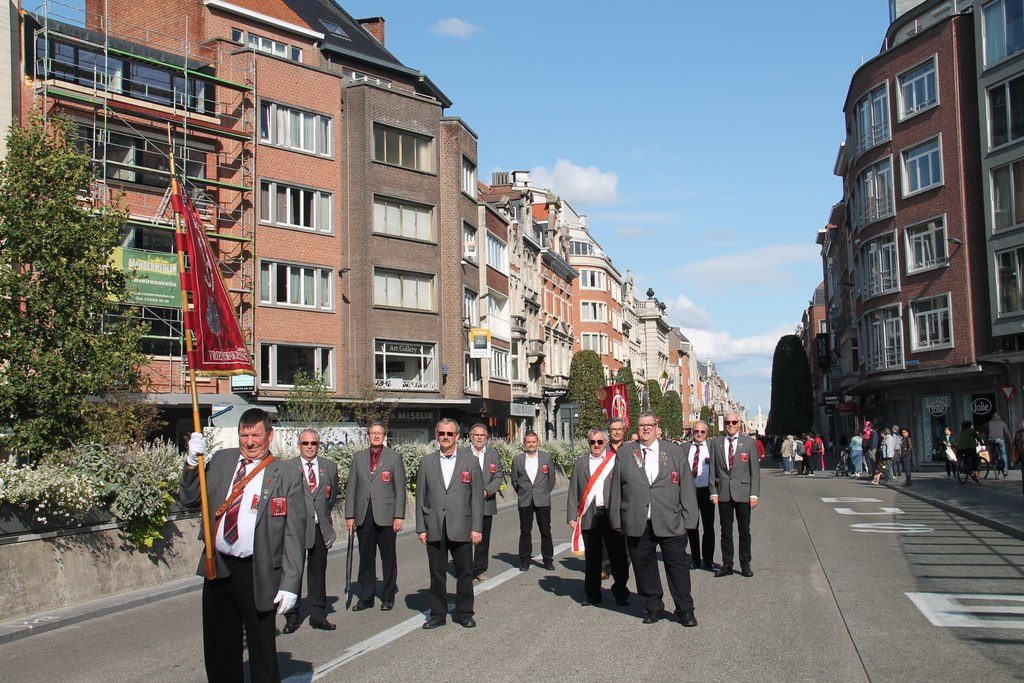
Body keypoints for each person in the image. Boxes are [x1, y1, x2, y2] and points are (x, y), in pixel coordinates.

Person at [181, 408, 305, 683]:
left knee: (262, 650)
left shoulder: (286, 475)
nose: (249, 442)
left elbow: (294, 535)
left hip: (258, 571)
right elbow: (189, 499)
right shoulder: (222, 461)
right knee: (219, 647)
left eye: (255, 435)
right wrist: (191, 462)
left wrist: (290, 583)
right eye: (244, 435)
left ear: (269, 436)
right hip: (219, 565)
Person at [615, 411, 699, 626]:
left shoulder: (674, 451)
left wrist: (690, 520)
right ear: (636, 428)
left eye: (649, 425)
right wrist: (616, 519)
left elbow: (686, 486)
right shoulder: (626, 452)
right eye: (642, 425)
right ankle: (653, 606)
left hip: (670, 519)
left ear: (656, 427)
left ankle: (685, 610)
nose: (645, 429)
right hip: (637, 519)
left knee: (678, 567)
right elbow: (616, 488)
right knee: (644, 567)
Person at [416, 418, 483, 629]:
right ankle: (437, 614)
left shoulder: (470, 461)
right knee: (436, 573)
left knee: (464, 572)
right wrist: (421, 528)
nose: (445, 437)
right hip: (435, 525)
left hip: (461, 526)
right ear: (436, 436)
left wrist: (476, 528)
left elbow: (476, 499)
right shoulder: (426, 462)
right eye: (442, 433)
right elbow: (421, 497)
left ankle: (464, 612)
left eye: (449, 434)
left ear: (457, 437)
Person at [345, 421, 406, 612]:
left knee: (388, 557)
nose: (376, 436)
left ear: (384, 435)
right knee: (366, 558)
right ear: (368, 436)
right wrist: (349, 515)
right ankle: (366, 597)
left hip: (387, 515)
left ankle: (388, 596)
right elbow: (351, 488)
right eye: (373, 433)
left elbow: (400, 489)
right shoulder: (358, 457)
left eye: (379, 433)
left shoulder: (394, 457)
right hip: (364, 513)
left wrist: (399, 515)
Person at [283, 429, 340, 633]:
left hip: (319, 527)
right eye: (305, 443)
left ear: (318, 445)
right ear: (298, 445)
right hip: (295, 528)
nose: (309, 447)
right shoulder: (287, 467)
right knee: (293, 572)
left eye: (313, 443)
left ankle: (318, 615)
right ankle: (292, 616)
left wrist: (321, 518)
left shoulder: (329, 467)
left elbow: (331, 498)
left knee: (318, 573)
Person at [567, 428, 629, 606]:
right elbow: (574, 490)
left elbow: (624, 487)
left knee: (618, 557)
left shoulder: (615, 460)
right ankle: (592, 594)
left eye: (600, 442)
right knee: (592, 559)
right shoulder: (580, 463)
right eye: (592, 442)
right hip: (589, 515)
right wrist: (572, 515)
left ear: (606, 442)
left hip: (612, 515)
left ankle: (621, 592)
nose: (596, 445)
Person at [710, 411, 761, 578]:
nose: (730, 425)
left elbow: (755, 471)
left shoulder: (748, 443)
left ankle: (745, 564)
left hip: (743, 493)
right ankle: (727, 564)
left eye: (733, 422)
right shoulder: (716, 443)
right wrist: (713, 492)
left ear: (739, 424)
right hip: (724, 492)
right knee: (725, 531)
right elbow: (712, 470)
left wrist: (754, 494)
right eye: (727, 422)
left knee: (744, 531)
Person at [510, 431, 556, 571]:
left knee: (545, 531)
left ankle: (548, 560)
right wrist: (522, 492)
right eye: (528, 442)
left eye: (533, 442)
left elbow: (551, 479)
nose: (531, 444)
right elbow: (514, 480)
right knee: (525, 531)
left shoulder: (546, 457)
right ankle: (525, 560)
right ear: (524, 444)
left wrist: (544, 492)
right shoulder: (517, 459)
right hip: (525, 499)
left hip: (542, 499)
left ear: (538, 442)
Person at [467, 423, 505, 582]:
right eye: (476, 435)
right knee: (465, 538)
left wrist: (486, 491)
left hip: (486, 503)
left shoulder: (493, 455)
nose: (479, 438)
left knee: (483, 539)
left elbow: (498, 476)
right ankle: (466, 569)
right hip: (465, 504)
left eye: (482, 435)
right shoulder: (462, 454)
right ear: (470, 436)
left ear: (486, 438)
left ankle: (479, 570)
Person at [684, 421, 716, 571]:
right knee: (692, 527)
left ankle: (708, 560)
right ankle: (695, 559)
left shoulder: (712, 448)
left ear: (706, 433)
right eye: (696, 431)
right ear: (692, 432)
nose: (699, 434)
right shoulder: (684, 448)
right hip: (689, 491)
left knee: (708, 527)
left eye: (702, 432)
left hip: (707, 491)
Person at [987, 412, 1012, 476]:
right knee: (1003, 453)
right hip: (1000, 440)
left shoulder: (989, 423)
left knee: (991, 452)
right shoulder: (1002, 423)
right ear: (999, 417)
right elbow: (1007, 433)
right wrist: (1010, 442)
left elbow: (987, 432)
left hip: (991, 440)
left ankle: (992, 463)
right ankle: (1005, 470)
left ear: (992, 417)